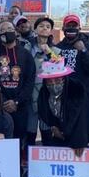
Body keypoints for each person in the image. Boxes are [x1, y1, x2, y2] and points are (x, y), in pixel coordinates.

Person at [0, 20, 35, 156]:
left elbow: (30, 82)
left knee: (17, 142)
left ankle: (16, 172)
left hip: (20, 107)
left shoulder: (25, 54)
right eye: (3, 30)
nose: (7, 32)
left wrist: (17, 102)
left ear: (16, 31)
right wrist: (2, 101)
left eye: (10, 28)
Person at [56, 14, 89, 168]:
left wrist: (83, 51)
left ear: (79, 28)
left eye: (74, 26)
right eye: (68, 26)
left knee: (82, 140)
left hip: (83, 101)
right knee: (64, 138)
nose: (71, 28)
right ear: (63, 28)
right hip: (63, 100)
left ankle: (83, 172)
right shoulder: (58, 47)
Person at [36, 59, 89, 159]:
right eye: (49, 81)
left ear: (64, 78)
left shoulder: (76, 90)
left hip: (78, 136)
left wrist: (78, 141)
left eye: (57, 80)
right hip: (57, 135)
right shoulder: (44, 92)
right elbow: (44, 112)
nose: (53, 83)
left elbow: (81, 118)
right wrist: (53, 127)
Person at [27, 16, 61, 148]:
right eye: (41, 26)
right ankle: (26, 162)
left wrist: (48, 52)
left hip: (47, 95)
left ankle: (46, 160)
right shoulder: (27, 49)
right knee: (29, 130)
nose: (44, 28)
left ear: (51, 31)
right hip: (29, 94)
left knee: (46, 130)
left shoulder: (56, 51)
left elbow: (60, 69)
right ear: (35, 29)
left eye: (48, 27)